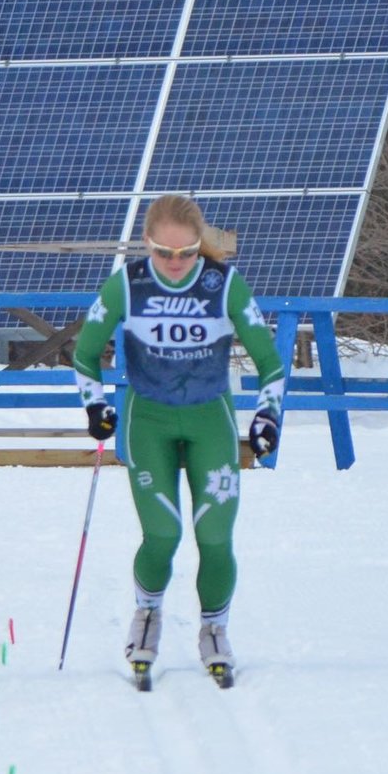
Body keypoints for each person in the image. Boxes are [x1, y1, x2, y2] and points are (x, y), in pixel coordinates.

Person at [72, 193, 285, 689]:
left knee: (214, 536)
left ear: (200, 246)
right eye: (162, 253)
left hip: (210, 419)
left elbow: (271, 363)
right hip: (149, 421)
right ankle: (147, 616)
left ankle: (215, 629)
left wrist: (267, 416)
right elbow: (85, 354)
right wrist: (95, 405)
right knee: (163, 534)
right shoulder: (127, 284)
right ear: (146, 244)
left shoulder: (224, 285)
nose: (173, 263)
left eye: (186, 253)